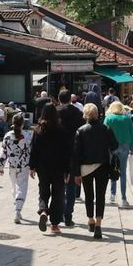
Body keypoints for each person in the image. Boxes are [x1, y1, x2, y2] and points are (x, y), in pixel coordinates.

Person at [72, 103, 116, 240]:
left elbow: (76, 154)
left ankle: (90, 219)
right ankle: (98, 224)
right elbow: (115, 145)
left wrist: (76, 173)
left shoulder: (80, 130)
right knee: (101, 195)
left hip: (86, 167)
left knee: (89, 195)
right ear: (97, 114)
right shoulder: (105, 128)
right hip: (102, 165)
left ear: (85, 115)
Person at [29, 104, 70, 234]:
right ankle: (55, 224)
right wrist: (67, 169)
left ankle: (44, 210)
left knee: (43, 190)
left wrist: (32, 166)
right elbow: (66, 152)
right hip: (58, 167)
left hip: (42, 166)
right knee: (58, 195)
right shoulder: (61, 131)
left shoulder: (38, 130)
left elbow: (33, 149)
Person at [56, 90, 85, 228]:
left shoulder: (54, 112)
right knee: (71, 186)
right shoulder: (78, 113)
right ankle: (68, 215)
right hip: (73, 152)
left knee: (58, 185)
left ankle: (58, 212)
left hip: (58, 152)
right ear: (71, 99)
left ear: (58, 99)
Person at [104, 101, 133, 207]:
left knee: (113, 169)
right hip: (125, 146)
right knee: (123, 172)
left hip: (112, 147)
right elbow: (132, 133)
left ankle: (112, 194)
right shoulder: (127, 119)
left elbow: (104, 132)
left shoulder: (109, 118)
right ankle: (124, 198)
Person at [0, 113, 32, 224]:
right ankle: (17, 210)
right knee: (21, 188)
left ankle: (17, 207)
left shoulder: (8, 135)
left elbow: (4, 151)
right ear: (23, 124)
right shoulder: (28, 136)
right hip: (24, 165)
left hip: (12, 165)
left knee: (14, 187)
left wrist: (0, 165)